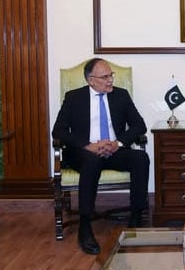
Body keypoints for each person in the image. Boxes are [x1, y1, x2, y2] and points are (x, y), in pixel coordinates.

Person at [52, 58, 150, 255]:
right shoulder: (74, 97)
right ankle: (85, 226)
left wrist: (117, 144)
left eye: (111, 75)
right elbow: (59, 131)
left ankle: (136, 217)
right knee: (92, 161)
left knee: (140, 159)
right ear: (91, 80)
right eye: (105, 77)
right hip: (84, 153)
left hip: (114, 150)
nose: (110, 80)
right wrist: (88, 146)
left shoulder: (121, 95)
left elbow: (140, 125)